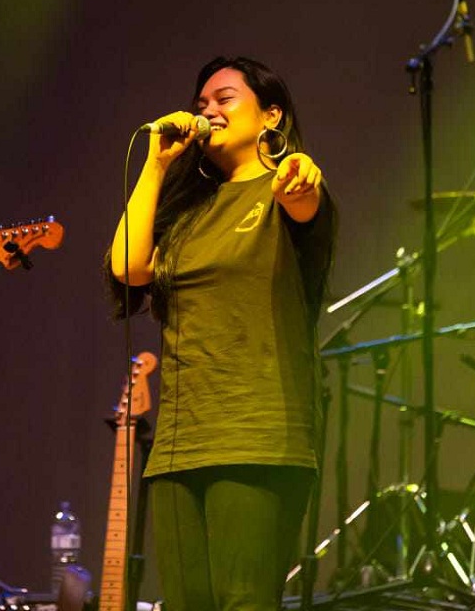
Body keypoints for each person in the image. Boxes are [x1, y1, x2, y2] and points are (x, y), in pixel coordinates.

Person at [107, 56, 336, 611]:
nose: (208, 110)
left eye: (225, 98)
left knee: (244, 602)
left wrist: (300, 172)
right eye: (201, 102)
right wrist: (156, 165)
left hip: (256, 441)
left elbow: (304, 195)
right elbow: (128, 267)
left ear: (270, 115)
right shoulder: (190, 213)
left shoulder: (284, 187)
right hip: (178, 448)